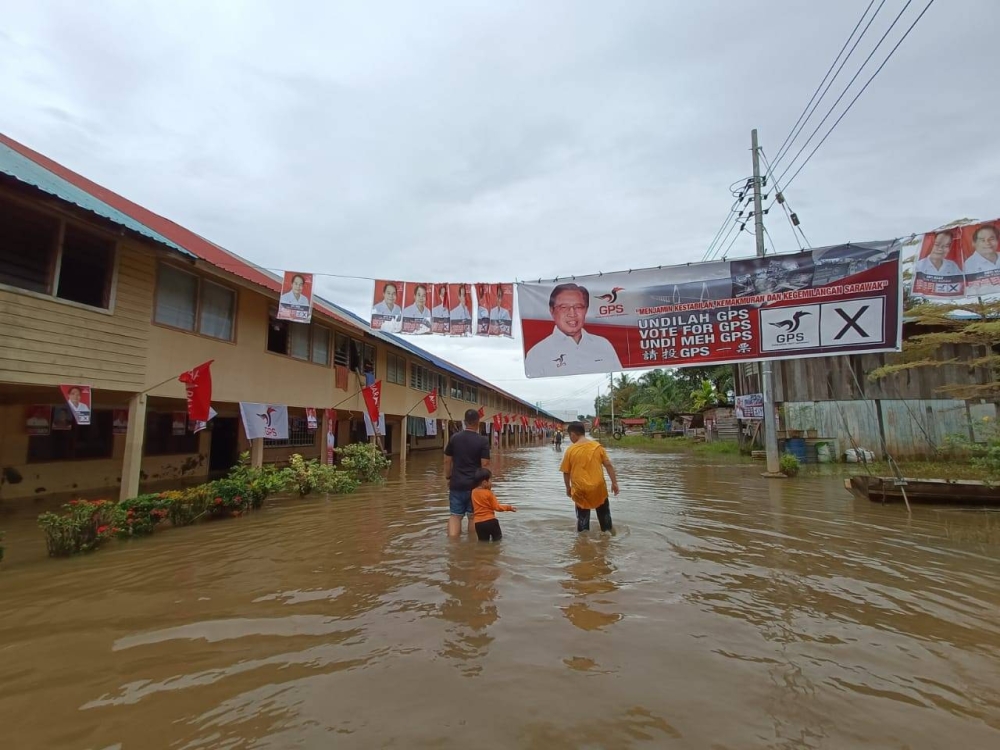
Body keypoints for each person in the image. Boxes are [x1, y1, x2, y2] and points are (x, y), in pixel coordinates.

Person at [524, 283, 623, 377]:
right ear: (552, 311)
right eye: (563, 307)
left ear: (586, 310)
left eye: (578, 307)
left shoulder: (603, 345)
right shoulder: (537, 353)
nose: (572, 313)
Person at [560, 421, 619, 533]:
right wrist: (614, 483)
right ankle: (608, 540)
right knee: (605, 519)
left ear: (573, 434)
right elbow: (608, 465)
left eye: (569, 435)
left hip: (581, 489)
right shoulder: (597, 447)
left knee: (582, 523)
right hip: (598, 488)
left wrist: (568, 488)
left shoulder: (570, 450)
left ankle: (584, 544)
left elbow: (566, 472)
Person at [444, 408, 491, 537]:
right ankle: (471, 546)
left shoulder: (454, 438)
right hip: (475, 486)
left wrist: (448, 478)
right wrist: (486, 483)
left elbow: (447, 461)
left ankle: (453, 545)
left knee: (455, 516)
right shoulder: (483, 441)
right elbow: (485, 464)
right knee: (473, 516)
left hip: (456, 484)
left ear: (465, 422)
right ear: (478, 422)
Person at [471, 468, 516, 541]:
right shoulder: (489, 493)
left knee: (483, 543)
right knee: (498, 541)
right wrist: (509, 508)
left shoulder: (473, 492)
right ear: (484, 482)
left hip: (478, 524)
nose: (491, 482)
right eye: (490, 480)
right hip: (491, 522)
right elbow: (497, 507)